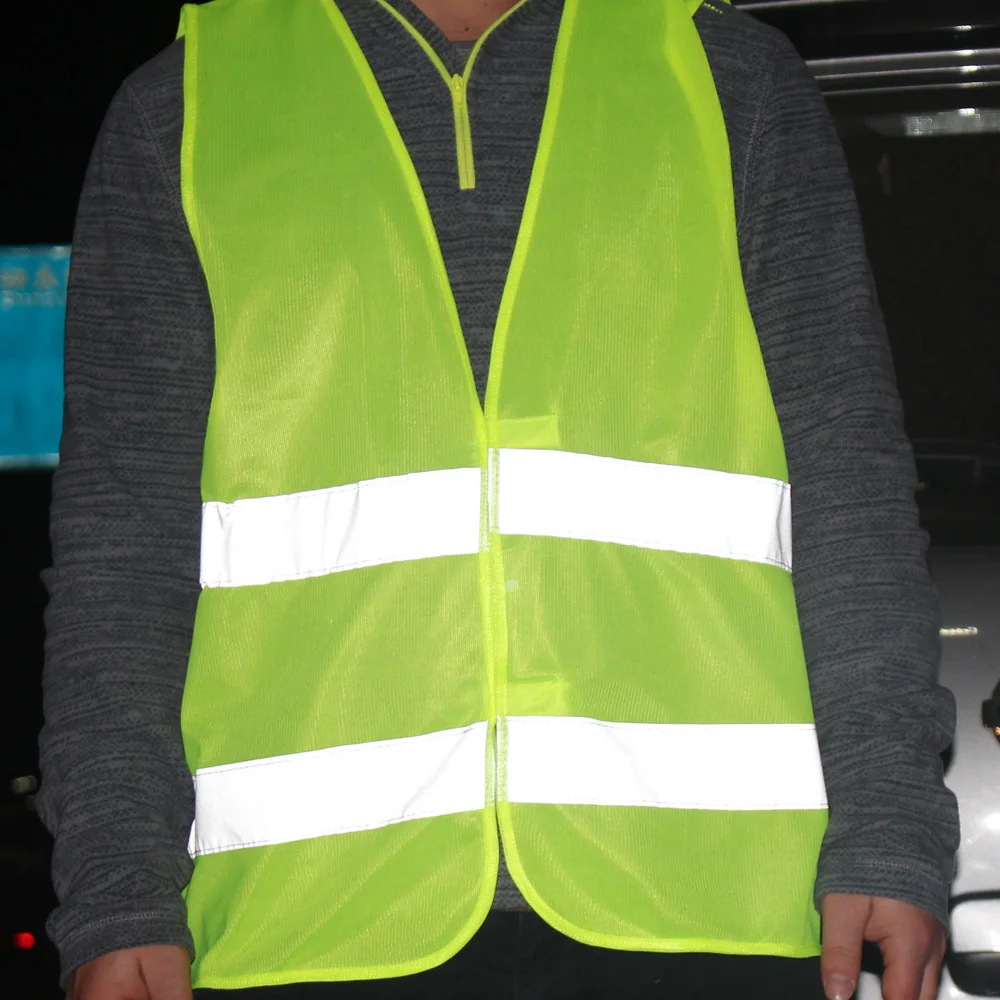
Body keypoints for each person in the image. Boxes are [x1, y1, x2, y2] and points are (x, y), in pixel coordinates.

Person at [40, 0, 959, 998]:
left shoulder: (725, 75)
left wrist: (888, 818)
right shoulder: (188, 102)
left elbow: (847, 477)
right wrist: (118, 886)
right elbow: (121, 548)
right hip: (305, 920)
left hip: (708, 909)